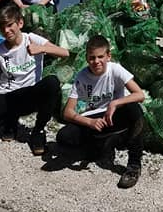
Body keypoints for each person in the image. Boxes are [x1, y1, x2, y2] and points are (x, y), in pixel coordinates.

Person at [0, 5, 69, 155]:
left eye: (9, 25)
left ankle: (38, 131)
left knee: (52, 82)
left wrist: (43, 49)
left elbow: (65, 53)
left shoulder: (31, 39)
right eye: (2, 28)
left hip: (29, 95)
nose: (7, 30)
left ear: (20, 23)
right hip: (7, 96)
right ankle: (7, 121)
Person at [61, 35, 146, 189]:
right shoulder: (82, 76)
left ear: (108, 56)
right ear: (87, 58)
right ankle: (103, 143)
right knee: (64, 136)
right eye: (92, 58)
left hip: (114, 115)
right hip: (95, 119)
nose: (96, 61)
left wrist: (115, 103)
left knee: (134, 109)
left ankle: (134, 166)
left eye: (100, 57)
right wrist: (89, 122)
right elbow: (67, 112)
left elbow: (140, 95)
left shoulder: (115, 69)